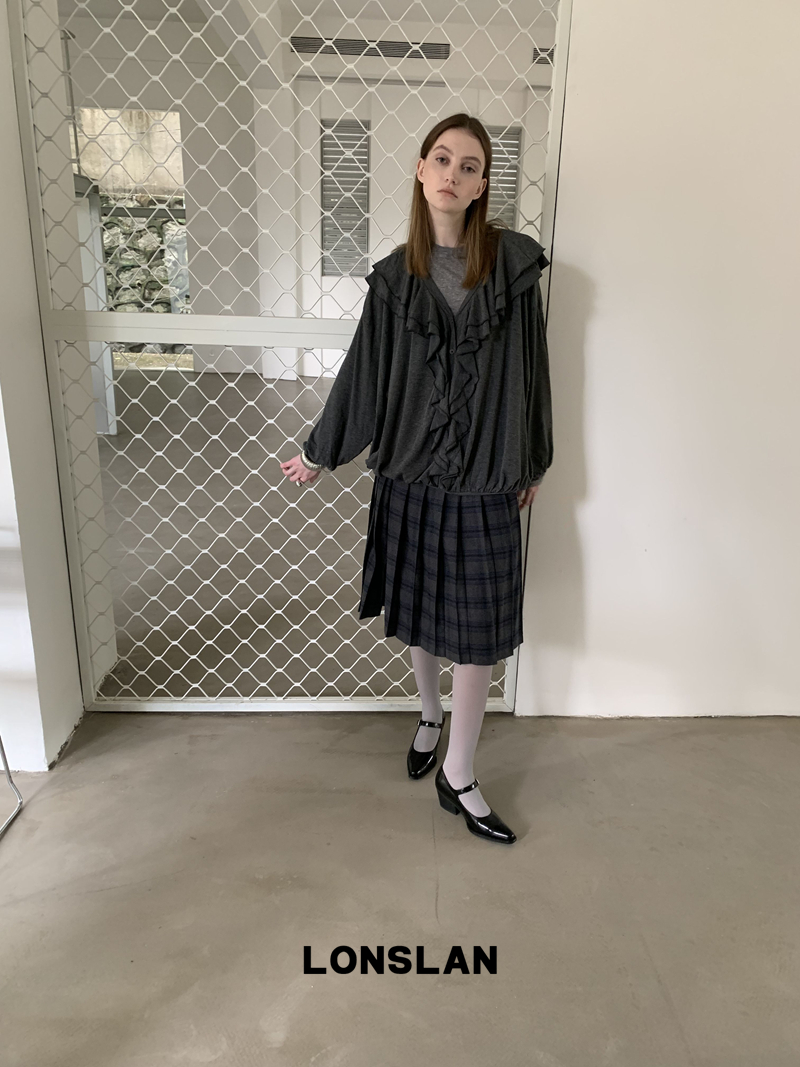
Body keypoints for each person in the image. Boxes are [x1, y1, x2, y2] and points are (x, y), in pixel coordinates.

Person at [280, 113, 553, 844]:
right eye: (442, 158)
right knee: (423, 606)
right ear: (421, 170)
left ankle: (458, 771)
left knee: (479, 631)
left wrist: (531, 457)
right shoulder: (396, 278)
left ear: (483, 184)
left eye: (470, 165)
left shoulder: (513, 266)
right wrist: (320, 450)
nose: (453, 174)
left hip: (487, 475)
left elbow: (533, 370)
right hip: (409, 472)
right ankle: (429, 715)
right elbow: (364, 374)